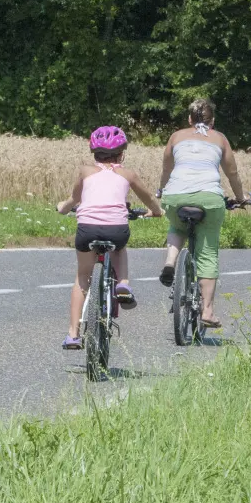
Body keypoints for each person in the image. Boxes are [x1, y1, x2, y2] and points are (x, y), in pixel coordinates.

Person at [57, 126, 163, 349]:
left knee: (82, 277)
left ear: (94, 153)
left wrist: (62, 208)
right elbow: (149, 199)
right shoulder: (128, 174)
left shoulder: (85, 172)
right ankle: (123, 284)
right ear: (121, 154)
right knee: (119, 248)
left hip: (87, 229)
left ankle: (73, 334)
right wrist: (156, 211)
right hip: (116, 229)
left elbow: (73, 199)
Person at [158, 99, 249, 329]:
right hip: (209, 199)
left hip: (175, 196)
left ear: (189, 119)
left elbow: (167, 168)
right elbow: (232, 173)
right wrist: (240, 198)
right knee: (207, 252)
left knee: (177, 226)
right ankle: (207, 311)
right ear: (212, 121)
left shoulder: (176, 137)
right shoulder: (220, 139)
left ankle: (170, 261)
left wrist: (162, 190)